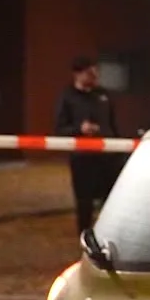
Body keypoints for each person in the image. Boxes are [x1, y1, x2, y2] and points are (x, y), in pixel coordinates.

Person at [52, 57, 120, 236]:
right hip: (83, 158)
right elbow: (60, 128)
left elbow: (112, 124)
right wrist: (79, 129)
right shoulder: (67, 97)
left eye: (96, 72)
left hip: (107, 156)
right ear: (77, 74)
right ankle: (85, 236)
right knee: (85, 201)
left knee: (112, 197)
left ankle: (111, 232)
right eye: (90, 72)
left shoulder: (103, 95)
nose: (95, 76)